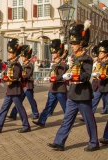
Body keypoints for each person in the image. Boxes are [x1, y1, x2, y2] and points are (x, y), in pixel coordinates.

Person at [47, 20, 99, 152]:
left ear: (81, 44)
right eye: (72, 44)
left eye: (75, 44)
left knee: (89, 121)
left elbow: (87, 75)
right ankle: (59, 142)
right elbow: (70, 71)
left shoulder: (87, 58)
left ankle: (94, 142)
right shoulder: (73, 57)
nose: (73, 46)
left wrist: (73, 77)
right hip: (72, 93)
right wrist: (68, 74)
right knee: (67, 120)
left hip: (83, 94)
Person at [0, 38, 31, 133]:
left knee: (20, 109)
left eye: (11, 53)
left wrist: (3, 78)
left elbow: (15, 77)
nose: (9, 54)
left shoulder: (16, 65)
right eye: (9, 52)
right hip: (10, 90)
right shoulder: (11, 64)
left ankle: (26, 125)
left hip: (15, 90)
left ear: (15, 53)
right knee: (4, 108)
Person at [32, 39, 67, 127]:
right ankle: (42, 121)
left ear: (59, 52)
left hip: (60, 88)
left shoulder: (63, 63)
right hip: (53, 88)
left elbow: (62, 75)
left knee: (66, 108)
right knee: (48, 106)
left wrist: (54, 78)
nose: (52, 54)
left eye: (54, 52)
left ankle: (68, 121)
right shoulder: (54, 62)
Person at [7, 45, 39, 120]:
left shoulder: (30, 64)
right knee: (18, 101)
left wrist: (22, 75)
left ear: (27, 57)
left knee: (31, 100)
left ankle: (35, 113)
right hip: (22, 86)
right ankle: (13, 114)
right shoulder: (23, 64)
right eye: (22, 56)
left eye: (23, 56)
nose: (22, 58)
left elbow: (28, 74)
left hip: (28, 85)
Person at [91, 42, 108, 114]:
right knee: (94, 100)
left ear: (106, 54)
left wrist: (105, 76)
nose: (99, 54)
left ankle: (105, 110)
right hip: (97, 85)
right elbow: (94, 71)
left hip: (106, 86)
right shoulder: (98, 63)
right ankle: (90, 114)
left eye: (101, 53)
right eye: (99, 53)